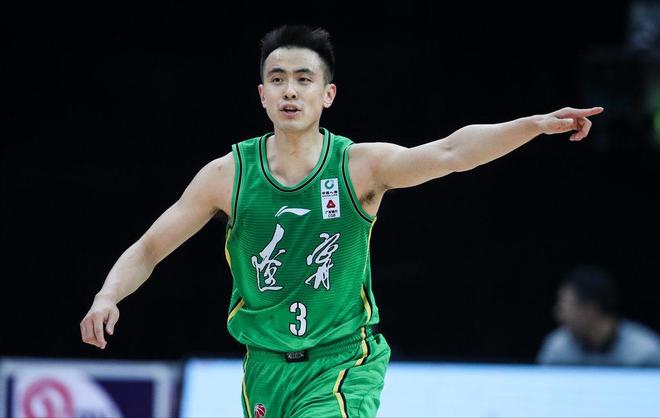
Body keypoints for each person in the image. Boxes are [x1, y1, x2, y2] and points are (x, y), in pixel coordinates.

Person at [80, 24, 604, 417]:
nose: (290, 91)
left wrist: (533, 125)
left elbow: (450, 152)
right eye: (277, 80)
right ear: (261, 95)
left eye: (303, 80)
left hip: (341, 363)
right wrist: (108, 295)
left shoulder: (358, 167)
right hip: (263, 367)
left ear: (327, 94)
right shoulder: (227, 175)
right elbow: (150, 247)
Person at [537, 265, 660, 367]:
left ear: (590, 309)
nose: (559, 315)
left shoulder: (645, 353)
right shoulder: (558, 349)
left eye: (563, 306)